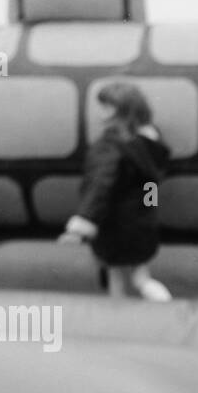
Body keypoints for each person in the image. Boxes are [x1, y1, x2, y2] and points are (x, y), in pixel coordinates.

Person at [59, 79, 172, 301]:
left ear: (122, 109)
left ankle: (124, 322)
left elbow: (100, 185)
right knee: (141, 278)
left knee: (117, 278)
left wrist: (83, 223)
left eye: (107, 106)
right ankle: (167, 312)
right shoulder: (150, 142)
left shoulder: (111, 146)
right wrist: (147, 212)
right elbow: (151, 185)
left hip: (115, 224)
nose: (102, 111)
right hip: (142, 224)